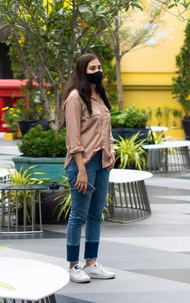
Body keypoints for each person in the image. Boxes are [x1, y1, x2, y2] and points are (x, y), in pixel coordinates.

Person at [62, 53, 116, 283]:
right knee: (78, 215)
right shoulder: (75, 97)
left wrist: (111, 151)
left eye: (99, 67)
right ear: (83, 71)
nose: (98, 71)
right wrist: (81, 170)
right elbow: (73, 137)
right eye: (92, 67)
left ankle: (91, 263)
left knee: (95, 215)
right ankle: (73, 265)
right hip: (82, 163)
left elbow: (106, 129)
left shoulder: (100, 96)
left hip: (102, 162)